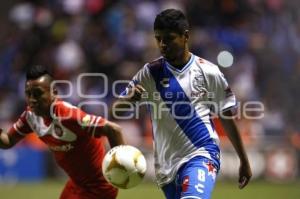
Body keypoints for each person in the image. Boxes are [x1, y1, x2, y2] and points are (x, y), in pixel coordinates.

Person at [113, 9, 252, 199]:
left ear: (185, 36)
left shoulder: (208, 72)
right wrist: (128, 101)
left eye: (169, 38)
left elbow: (227, 117)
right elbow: (116, 110)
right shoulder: (150, 73)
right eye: (158, 39)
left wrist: (244, 160)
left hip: (202, 153)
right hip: (166, 165)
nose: (163, 44)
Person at [0, 65, 124, 199]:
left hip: (100, 187)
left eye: (37, 93)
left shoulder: (70, 116)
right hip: (76, 184)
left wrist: (122, 166)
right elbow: (7, 141)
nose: (32, 100)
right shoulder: (30, 117)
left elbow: (113, 130)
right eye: (28, 94)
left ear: (53, 93)